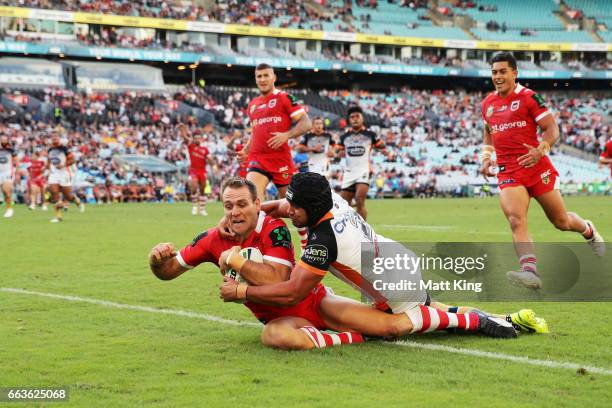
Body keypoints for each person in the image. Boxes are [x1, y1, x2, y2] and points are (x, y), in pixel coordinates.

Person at [220, 173, 532, 345]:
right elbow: (279, 207)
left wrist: (243, 291)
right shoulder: (332, 199)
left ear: (312, 208)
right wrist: (245, 213)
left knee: (392, 328)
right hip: (397, 260)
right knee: (426, 308)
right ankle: (499, 318)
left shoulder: (324, 240)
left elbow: (292, 292)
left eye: (295, 208)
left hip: (392, 286)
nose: (290, 212)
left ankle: (472, 320)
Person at [148, 177, 367, 350]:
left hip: (315, 302)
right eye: (229, 206)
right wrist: (156, 261)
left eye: (242, 204)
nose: (235, 212)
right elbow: (168, 271)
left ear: (257, 204)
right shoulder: (212, 239)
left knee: (390, 327)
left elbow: (277, 278)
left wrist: (235, 261)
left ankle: (328, 332)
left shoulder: (274, 228)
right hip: (281, 322)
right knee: (274, 336)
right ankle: (347, 338)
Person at [479, 52, 604, 289]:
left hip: (537, 168)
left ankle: (588, 230)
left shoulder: (529, 98)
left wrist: (542, 148)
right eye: (494, 72)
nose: (498, 76)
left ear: (515, 73)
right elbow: (488, 131)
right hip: (508, 171)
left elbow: (552, 128)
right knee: (516, 219)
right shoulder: (488, 104)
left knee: (561, 221)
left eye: (503, 71)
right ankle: (530, 271)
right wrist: (486, 157)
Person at [239, 63, 312, 200]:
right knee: (252, 197)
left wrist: (287, 135)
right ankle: (263, 220)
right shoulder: (252, 104)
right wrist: (246, 149)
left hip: (280, 159)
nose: (262, 79)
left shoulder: (284, 97)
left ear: (274, 78)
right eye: (259, 76)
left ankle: (275, 219)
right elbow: (255, 131)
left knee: (292, 207)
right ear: (255, 80)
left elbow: (306, 123)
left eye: (266, 75)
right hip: (258, 158)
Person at [336, 106, 386, 220]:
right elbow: (337, 150)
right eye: (352, 117)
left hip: (364, 170)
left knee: (359, 199)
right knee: (343, 204)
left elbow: (381, 144)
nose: (355, 119)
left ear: (362, 118)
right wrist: (338, 153)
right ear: (349, 120)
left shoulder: (370, 134)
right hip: (349, 172)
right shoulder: (344, 136)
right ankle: (349, 228)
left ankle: (363, 231)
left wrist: (380, 146)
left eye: (357, 116)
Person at [47, 134, 84, 223]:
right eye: (52, 137)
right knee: (54, 193)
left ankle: (77, 201)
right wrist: (48, 169)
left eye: (56, 137)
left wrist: (63, 165)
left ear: (59, 139)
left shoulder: (64, 149)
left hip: (64, 174)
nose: (54, 139)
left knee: (68, 196)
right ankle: (58, 217)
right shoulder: (50, 149)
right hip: (54, 174)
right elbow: (49, 160)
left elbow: (73, 160)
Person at [180, 125, 212, 216]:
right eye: (196, 138)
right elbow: (185, 137)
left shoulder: (205, 149)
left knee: (202, 190)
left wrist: (212, 163)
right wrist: (182, 129)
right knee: (193, 186)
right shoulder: (191, 146)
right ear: (193, 139)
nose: (197, 140)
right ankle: (194, 207)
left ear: (201, 139)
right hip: (193, 170)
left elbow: (211, 160)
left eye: (199, 138)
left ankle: (202, 209)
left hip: (203, 171)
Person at [0, 135, 16, 218]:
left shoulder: (11, 150)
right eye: (1, 139)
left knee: (7, 192)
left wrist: (17, 173)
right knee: (3, 192)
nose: (3, 141)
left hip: (7, 173)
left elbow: (16, 161)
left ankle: (9, 209)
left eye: (4, 139)